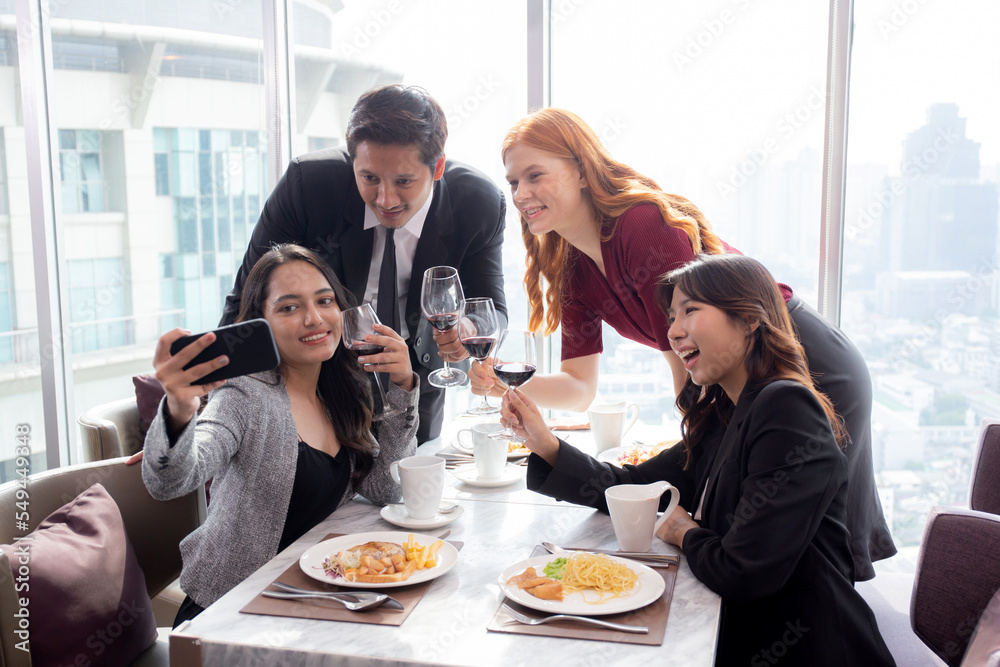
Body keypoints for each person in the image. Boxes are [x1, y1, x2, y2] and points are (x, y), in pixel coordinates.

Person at [471, 107, 893, 579]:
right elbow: (578, 387)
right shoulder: (573, 269)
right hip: (729, 373)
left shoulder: (641, 225)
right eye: (512, 182)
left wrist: (694, 445)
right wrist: (497, 386)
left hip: (800, 355)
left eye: (534, 175)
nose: (521, 194)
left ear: (581, 168)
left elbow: (687, 355)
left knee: (800, 543)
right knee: (744, 523)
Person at [502, 254, 895, 666]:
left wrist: (685, 532)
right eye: (671, 317)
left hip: (805, 648)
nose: (672, 331)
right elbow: (635, 487)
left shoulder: (788, 408)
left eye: (690, 311)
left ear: (749, 319)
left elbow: (744, 571)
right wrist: (544, 443)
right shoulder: (727, 409)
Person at [142, 244, 418, 626]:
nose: (314, 318)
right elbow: (172, 481)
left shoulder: (339, 390)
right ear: (261, 324)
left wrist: (403, 386)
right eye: (289, 307)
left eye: (325, 301)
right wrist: (177, 408)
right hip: (233, 614)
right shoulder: (243, 395)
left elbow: (386, 490)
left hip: (312, 605)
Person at [221, 84, 507, 444]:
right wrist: (211, 415)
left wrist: (465, 328)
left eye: (403, 181)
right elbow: (245, 301)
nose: (385, 199)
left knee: (404, 492)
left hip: (416, 389)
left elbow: (491, 309)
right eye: (369, 178)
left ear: (437, 168)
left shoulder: (477, 203)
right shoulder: (307, 186)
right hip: (319, 389)